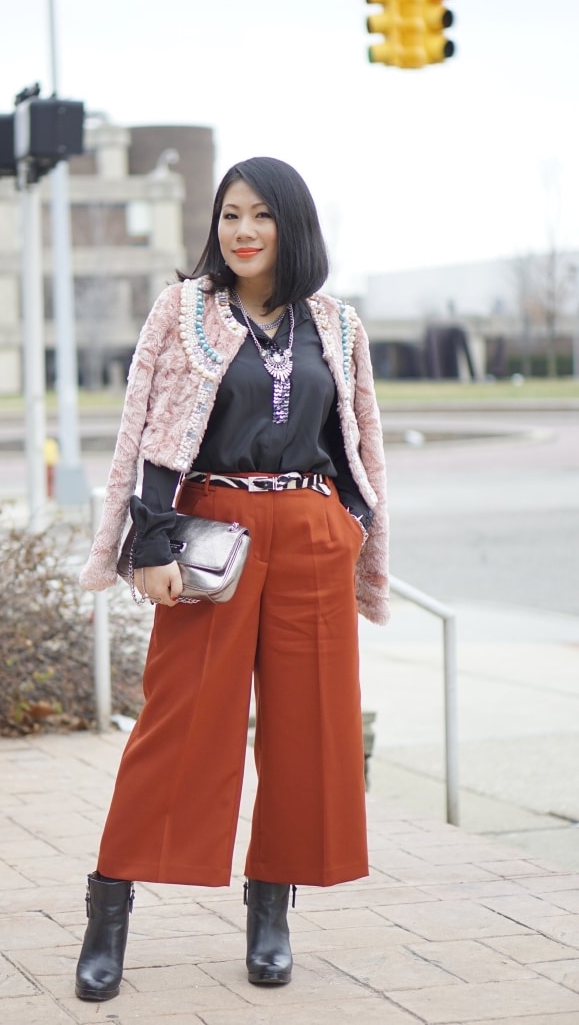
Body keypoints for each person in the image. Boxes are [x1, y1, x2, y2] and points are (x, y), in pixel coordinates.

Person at [76, 156, 389, 1001]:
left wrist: (351, 527)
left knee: (307, 734)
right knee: (178, 727)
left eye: (260, 216)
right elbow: (149, 425)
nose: (242, 232)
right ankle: (109, 909)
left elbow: (355, 435)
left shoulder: (336, 324)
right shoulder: (184, 312)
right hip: (213, 535)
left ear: (292, 226)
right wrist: (148, 545)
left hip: (312, 539)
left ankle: (270, 915)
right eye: (228, 216)